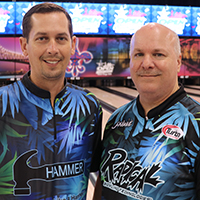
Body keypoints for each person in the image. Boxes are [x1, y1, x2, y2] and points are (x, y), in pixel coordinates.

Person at [0, 2, 102, 200]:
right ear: (24, 46)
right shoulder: (3, 103)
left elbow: (98, 174)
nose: (52, 49)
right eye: (42, 38)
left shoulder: (89, 106)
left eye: (61, 38)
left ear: (73, 45)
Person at [94, 23, 200, 200]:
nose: (147, 63)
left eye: (158, 54)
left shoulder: (194, 125)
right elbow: (102, 185)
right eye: (139, 54)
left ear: (178, 61)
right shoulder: (116, 119)